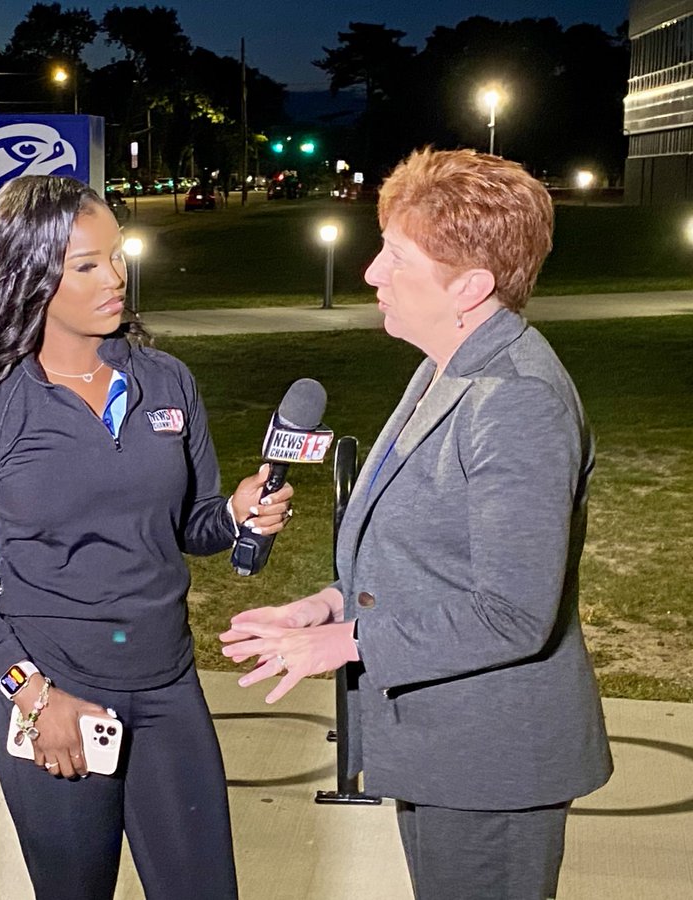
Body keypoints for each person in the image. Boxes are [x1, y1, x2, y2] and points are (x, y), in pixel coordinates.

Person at [221, 148, 613, 900]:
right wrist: (327, 604)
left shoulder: (514, 399)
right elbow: (432, 562)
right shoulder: (444, 365)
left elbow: (512, 613)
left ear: (468, 285)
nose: (371, 272)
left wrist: (344, 643)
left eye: (397, 257)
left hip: (492, 762)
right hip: (448, 749)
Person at [0, 174, 292, 900]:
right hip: (56, 688)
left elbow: (193, 522)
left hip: (168, 682)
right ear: (29, 277)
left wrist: (239, 516)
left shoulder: (167, 381)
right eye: (85, 264)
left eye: (116, 256)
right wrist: (32, 693)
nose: (115, 277)